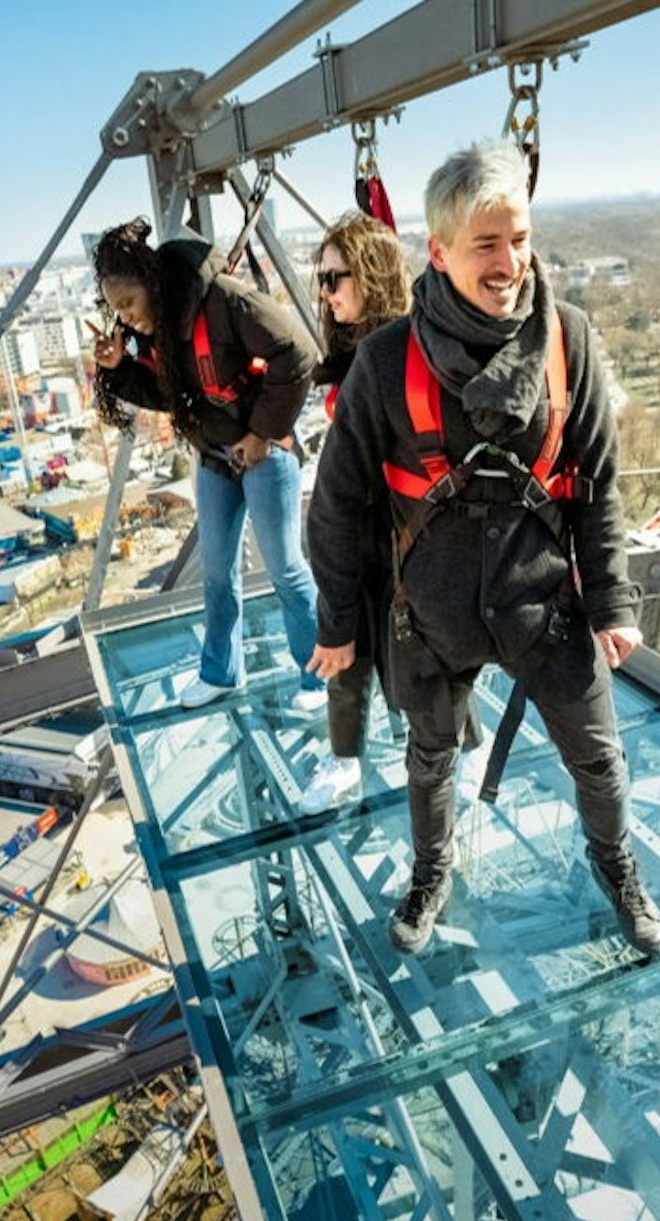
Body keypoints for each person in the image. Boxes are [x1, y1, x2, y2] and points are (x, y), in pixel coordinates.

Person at [307, 142, 660, 958]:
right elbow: (334, 506)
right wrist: (339, 624)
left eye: (521, 239)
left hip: (543, 604)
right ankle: (432, 871)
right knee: (430, 759)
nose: (512, 263)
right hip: (434, 611)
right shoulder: (385, 361)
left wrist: (610, 600)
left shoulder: (566, 341)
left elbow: (597, 483)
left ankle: (618, 869)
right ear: (438, 251)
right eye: (488, 244)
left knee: (598, 760)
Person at [90, 218, 326, 711]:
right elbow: (173, 395)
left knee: (285, 567)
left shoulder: (222, 300)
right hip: (217, 457)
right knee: (218, 572)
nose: (125, 318)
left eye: (128, 304)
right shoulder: (162, 331)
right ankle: (221, 672)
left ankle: (319, 680)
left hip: (264, 451)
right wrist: (121, 370)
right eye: (116, 311)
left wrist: (261, 433)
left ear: (150, 284)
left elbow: (298, 354)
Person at [299, 212, 411, 814]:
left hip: (400, 535)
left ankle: (453, 750)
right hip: (361, 533)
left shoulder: (402, 355)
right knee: (346, 652)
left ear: (370, 275)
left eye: (335, 278)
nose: (325, 292)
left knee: (410, 661)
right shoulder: (355, 356)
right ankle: (344, 757)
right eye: (322, 278)